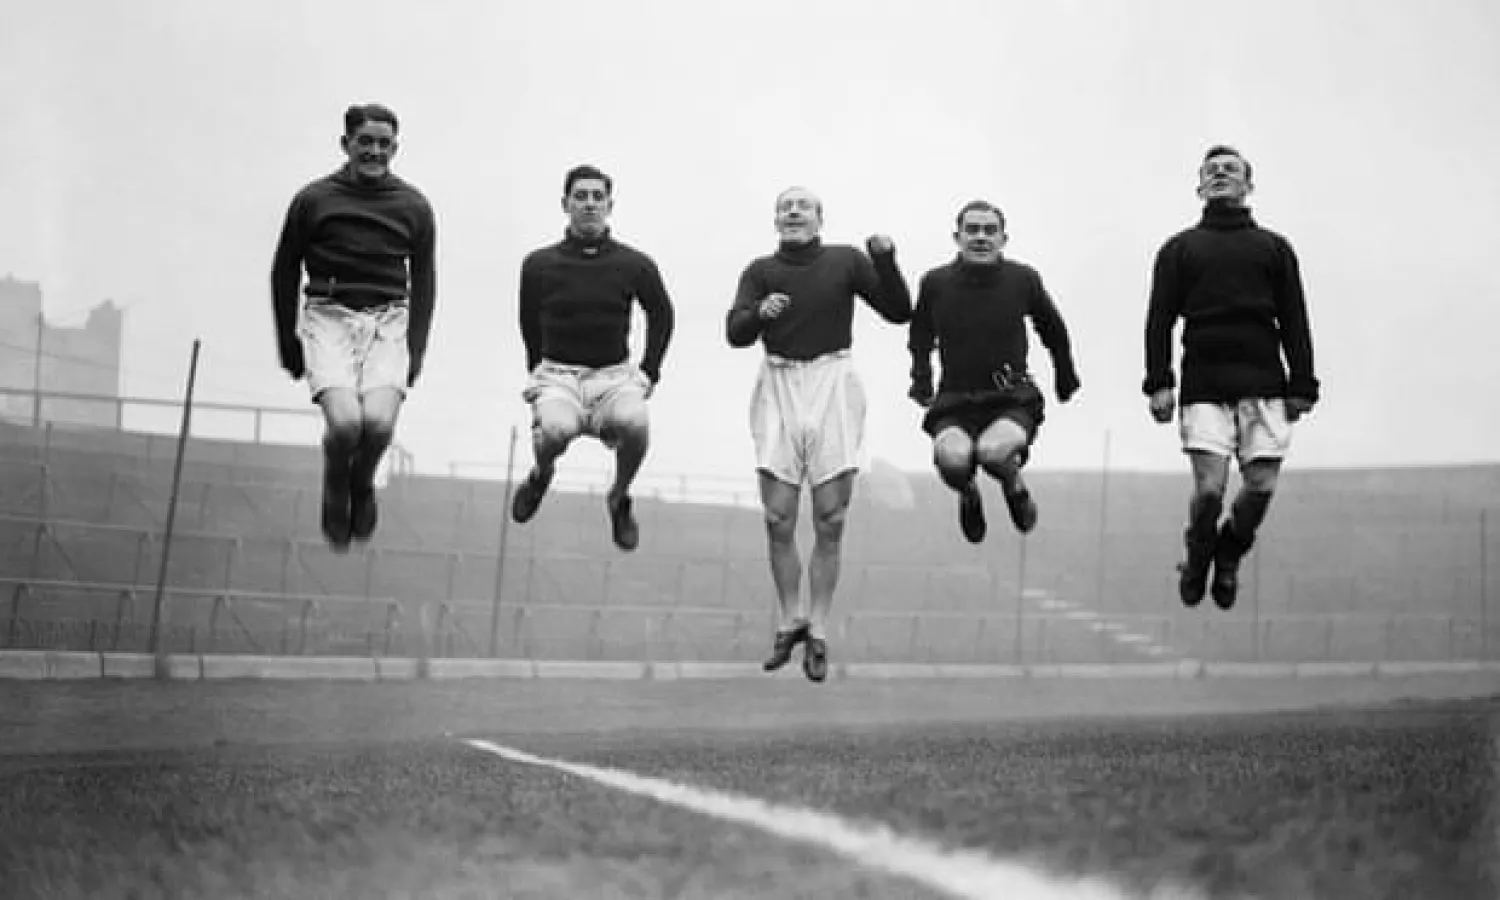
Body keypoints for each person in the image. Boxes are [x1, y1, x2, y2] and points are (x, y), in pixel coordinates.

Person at [725, 186, 913, 683]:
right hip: (781, 381)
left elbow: (899, 311)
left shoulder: (845, 261)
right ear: (775, 221)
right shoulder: (760, 272)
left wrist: (887, 260)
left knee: (830, 516)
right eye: (784, 206)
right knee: (776, 515)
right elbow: (735, 331)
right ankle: (791, 619)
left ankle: (821, 627)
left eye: (802, 206)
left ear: (818, 218)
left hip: (832, 381)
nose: (792, 211)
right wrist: (758, 314)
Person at [1142, 144, 1320, 609]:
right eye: (1212, 170)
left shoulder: (1274, 249)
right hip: (1204, 385)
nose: (1221, 174)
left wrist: (1303, 382)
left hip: (1264, 384)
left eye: (1231, 169)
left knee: (1259, 487)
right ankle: (1198, 555)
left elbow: (1295, 318)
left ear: (1248, 185)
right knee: (1208, 492)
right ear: (1200, 185)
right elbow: (1159, 319)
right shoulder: (1178, 250)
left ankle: (1229, 553)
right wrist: (1158, 381)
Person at [271, 102, 437, 553]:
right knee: (346, 425)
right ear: (346, 144)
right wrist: (288, 337)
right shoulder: (314, 200)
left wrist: (416, 349)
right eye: (366, 142)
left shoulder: (414, 206)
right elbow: (285, 268)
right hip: (329, 315)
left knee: (379, 425)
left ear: (395, 149)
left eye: (385, 144)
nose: (375, 151)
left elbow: (424, 281)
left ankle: (361, 481)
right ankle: (335, 484)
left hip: (389, 320)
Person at [510, 164, 676, 552]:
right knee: (554, 431)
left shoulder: (635, 264)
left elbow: (662, 313)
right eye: (581, 197)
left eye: (597, 197)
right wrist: (536, 369)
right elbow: (527, 317)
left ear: (609, 205)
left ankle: (619, 497)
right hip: (559, 375)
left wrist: (649, 371)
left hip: (614, 377)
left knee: (636, 424)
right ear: (565, 204)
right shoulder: (538, 264)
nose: (589, 204)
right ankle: (541, 474)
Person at [907, 200, 1081, 544]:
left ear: (1003, 238)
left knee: (991, 452)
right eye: (973, 230)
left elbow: (1053, 329)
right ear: (957, 237)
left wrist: (1065, 375)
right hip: (956, 398)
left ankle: (1014, 487)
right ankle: (969, 494)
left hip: (1010, 397)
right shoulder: (935, 283)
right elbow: (920, 335)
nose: (981, 238)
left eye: (990, 231)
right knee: (954, 460)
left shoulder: (1023, 279)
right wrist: (921, 379)